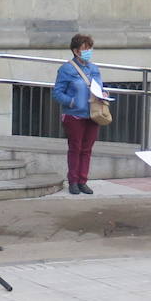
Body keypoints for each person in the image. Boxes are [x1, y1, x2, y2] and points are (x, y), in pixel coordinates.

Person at [52, 34, 105, 196]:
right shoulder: (66, 69)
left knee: (87, 149)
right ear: (76, 51)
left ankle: (83, 181)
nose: (88, 51)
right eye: (84, 48)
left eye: (90, 48)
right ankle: (73, 181)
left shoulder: (94, 69)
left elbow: (98, 87)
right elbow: (57, 93)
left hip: (92, 114)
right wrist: (71, 101)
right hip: (74, 115)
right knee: (75, 148)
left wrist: (104, 93)